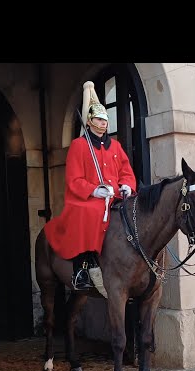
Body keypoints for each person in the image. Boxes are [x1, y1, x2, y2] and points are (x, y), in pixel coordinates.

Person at [43, 80, 137, 289]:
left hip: (115, 196)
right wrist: (94, 190)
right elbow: (74, 180)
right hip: (87, 198)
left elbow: (126, 171)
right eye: (98, 119)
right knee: (90, 211)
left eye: (105, 119)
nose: (103, 123)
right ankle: (83, 267)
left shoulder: (115, 146)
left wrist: (126, 185)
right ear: (90, 121)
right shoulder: (79, 145)